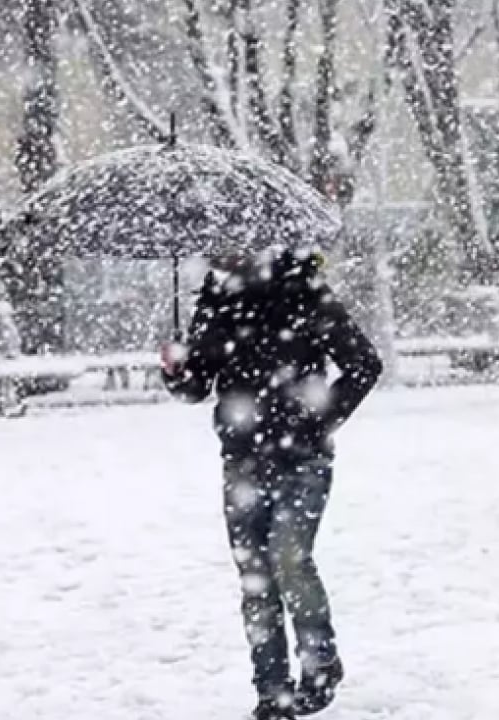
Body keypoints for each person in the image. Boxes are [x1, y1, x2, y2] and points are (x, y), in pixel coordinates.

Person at [160, 246, 382, 720]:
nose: (221, 249)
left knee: (289, 559)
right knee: (255, 579)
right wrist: (177, 370)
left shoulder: (303, 291)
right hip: (242, 459)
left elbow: (364, 364)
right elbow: (196, 386)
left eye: (231, 238)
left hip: (303, 459)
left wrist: (315, 423)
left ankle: (320, 662)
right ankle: (272, 692)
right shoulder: (216, 301)